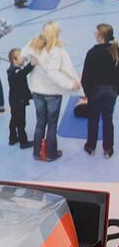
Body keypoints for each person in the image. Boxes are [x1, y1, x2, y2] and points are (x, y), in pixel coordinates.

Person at [25, 22, 82, 161]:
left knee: (40, 122)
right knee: (51, 124)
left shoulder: (36, 46)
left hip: (37, 91)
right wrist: (70, 84)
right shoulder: (56, 52)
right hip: (52, 93)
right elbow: (53, 73)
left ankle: (37, 152)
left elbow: (25, 56)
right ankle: (50, 154)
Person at [81, 23, 119, 158]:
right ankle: (108, 149)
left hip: (95, 91)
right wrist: (116, 90)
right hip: (111, 91)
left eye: (95, 32)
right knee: (108, 119)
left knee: (93, 119)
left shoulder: (92, 52)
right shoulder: (116, 50)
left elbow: (86, 76)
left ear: (100, 36)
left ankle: (90, 146)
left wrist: (88, 93)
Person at [7, 48, 34, 149]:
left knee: (14, 119)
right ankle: (23, 141)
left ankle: (12, 138)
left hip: (14, 100)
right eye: (21, 56)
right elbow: (23, 73)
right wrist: (31, 64)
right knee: (21, 121)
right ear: (14, 59)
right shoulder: (16, 71)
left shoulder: (12, 69)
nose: (23, 57)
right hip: (18, 101)